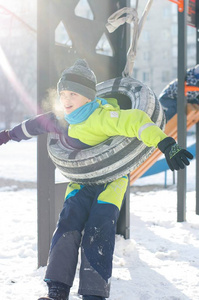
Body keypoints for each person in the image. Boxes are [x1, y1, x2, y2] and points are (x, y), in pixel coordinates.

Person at [0, 59, 193, 300]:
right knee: (67, 226)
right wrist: (7, 135)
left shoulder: (104, 116)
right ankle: (57, 291)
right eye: (63, 93)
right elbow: (34, 125)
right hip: (81, 180)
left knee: (97, 230)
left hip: (111, 181)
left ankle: (93, 294)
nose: (66, 99)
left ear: (90, 96)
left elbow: (137, 121)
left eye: (73, 93)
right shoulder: (62, 119)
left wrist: (167, 145)